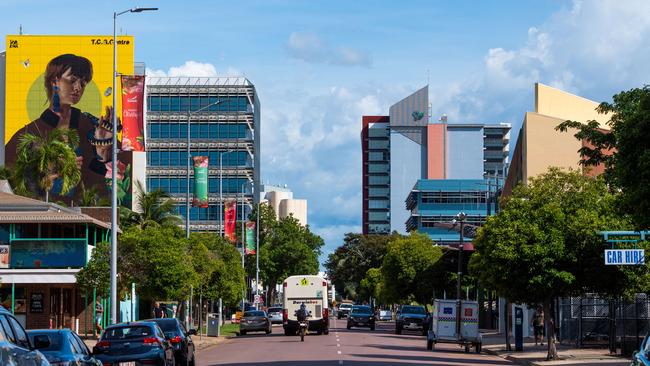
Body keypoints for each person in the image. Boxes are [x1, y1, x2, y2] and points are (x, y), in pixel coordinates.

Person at [4, 53, 127, 204]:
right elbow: (8, 181)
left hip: (85, 217)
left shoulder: (90, 125)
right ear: (54, 81)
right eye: (72, 80)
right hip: (42, 217)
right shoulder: (30, 133)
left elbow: (112, 180)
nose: (78, 88)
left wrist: (104, 151)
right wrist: (46, 173)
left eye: (83, 83)